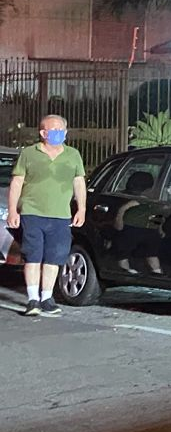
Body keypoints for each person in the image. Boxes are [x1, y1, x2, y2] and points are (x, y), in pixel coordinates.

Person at [5, 115, 87, 317]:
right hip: (32, 213)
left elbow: (79, 182)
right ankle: (33, 299)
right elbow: (17, 182)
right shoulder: (29, 154)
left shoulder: (73, 155)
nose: (59, 133)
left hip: (60, 215)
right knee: (33, 255)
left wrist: (82, 208)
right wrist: (13, 210)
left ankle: (47, 298)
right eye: (54, 130)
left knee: (54, 257)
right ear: (43, 133)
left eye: (62, 130)